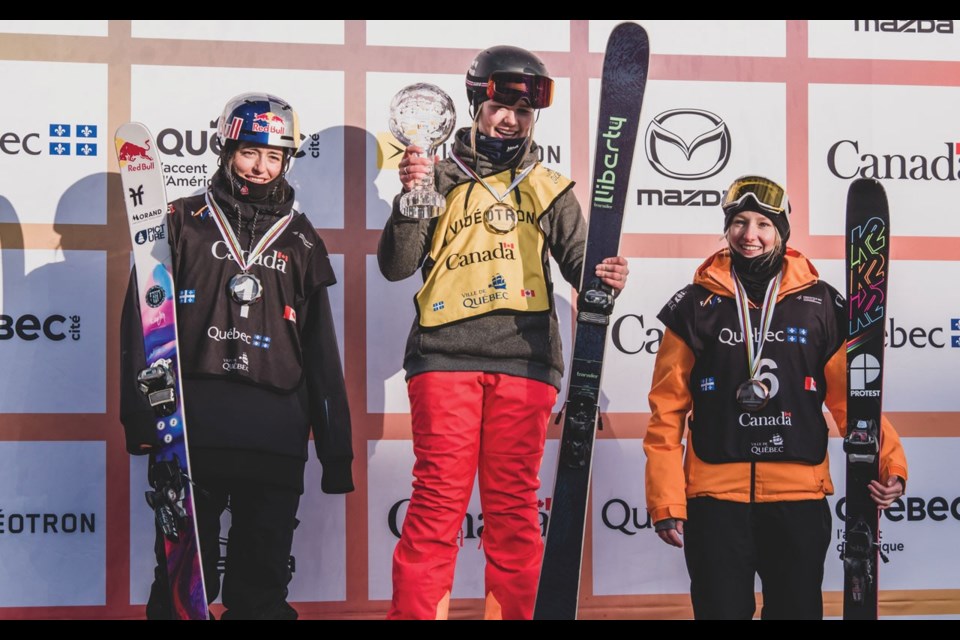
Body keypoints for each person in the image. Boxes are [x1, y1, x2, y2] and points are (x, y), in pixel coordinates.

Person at [377, 45, 629, 620]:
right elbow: (396, 264)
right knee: (437, 507)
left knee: (514, 512)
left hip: (526, 363)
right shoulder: (435, 173)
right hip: (444, 358)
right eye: (500, 105)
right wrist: (412, 198)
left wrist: (607, 276)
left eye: (524, 109)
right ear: (475, 103)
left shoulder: (548, 186)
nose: (511, 118)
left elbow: (583, 270)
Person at [120, 92, 354, 619]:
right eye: (251, 152)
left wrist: (336, 449)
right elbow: (142, 323)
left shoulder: (302, 239)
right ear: (226, 148)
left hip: (276, 433)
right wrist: (142, 415)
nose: (262, 166)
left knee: (262, 585)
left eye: (275, 156)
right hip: (193, 430)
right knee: (181, 583)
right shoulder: (178, 222)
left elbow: (319, 351)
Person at [643, 174, 908, 620]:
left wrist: (891, 464)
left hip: (798, 498)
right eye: (739, 223)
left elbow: (855, 400)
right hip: (714, 500)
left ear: (782, 230)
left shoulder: (823, 304)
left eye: (764, 224)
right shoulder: (693, 305)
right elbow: (666, 411)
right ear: (726, 230)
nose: (750, 235)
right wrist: (667, 500)